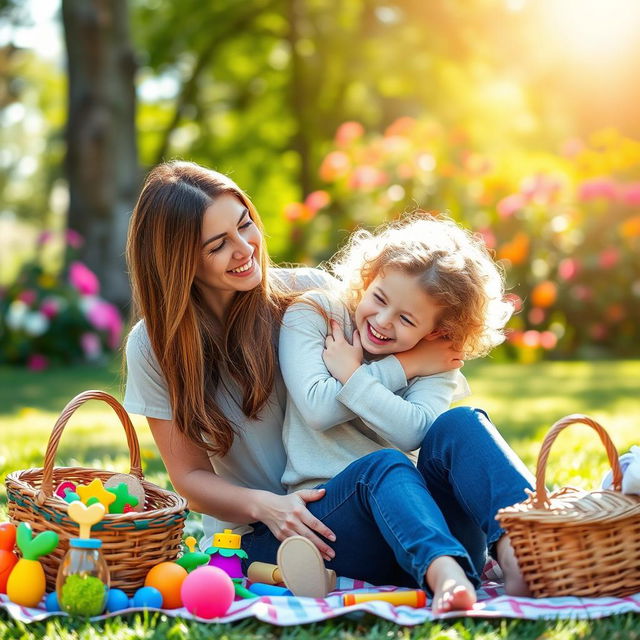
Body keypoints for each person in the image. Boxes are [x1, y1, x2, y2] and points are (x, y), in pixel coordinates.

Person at [124, 161, 533, 616]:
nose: (244, 249)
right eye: (218, 245)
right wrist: (270, 507)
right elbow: (189, 479)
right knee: (384, 467)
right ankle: (448, 575)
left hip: (393, 510)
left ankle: (531, 550)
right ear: (179, 261)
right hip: (280, 535)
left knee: (461, 424)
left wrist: (410, 360)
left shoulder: (305, 291)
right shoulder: (152, 347)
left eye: (245, 226)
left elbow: (390, 325)